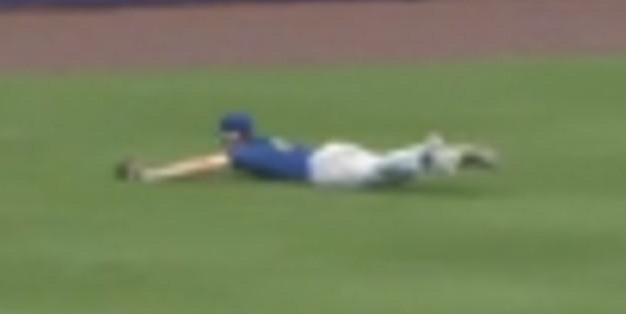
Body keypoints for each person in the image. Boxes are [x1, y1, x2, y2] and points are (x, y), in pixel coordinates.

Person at [114, 112, 498, 189]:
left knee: (377, 175)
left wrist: (154, 175)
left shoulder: (247, 153)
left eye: (225, 137)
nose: (222, 142)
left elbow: (205, 165)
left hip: (324, 169)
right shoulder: (263, 144)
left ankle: (430, 156)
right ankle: (427, 152)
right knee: (380, 167)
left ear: (234, 137)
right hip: (328, 153)